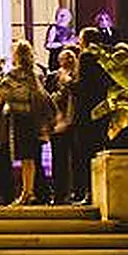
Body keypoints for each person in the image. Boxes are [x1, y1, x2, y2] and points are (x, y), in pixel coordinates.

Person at [0, 40, 54, 207]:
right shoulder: (35, 74)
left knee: (26, 158)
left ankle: (27, 193)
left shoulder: (14, 73)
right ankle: (28, 192)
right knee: (32, 158)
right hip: (35, 120)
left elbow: (2, 92)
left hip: (20, 118)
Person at [71, 27, 112, 204]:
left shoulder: (86, 57)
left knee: (85, 154)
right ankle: (96, 193)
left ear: (85, 40)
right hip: (101, 112)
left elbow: (83, 87)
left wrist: (68, 83)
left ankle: (89, 193)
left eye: (80, 39)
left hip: (86, 114)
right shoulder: (104, 57)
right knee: (97, 151)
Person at [50, 47, 81, 203]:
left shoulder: (79, 77)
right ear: (59, 62)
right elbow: (48, 98)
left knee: (77, 160)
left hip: (75, 123)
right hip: (58, 124)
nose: (68, 61)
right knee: (59, 161)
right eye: (65, 58)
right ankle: (59, 195)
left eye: (71, 58)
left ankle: (77, 193)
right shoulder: (53, 77)